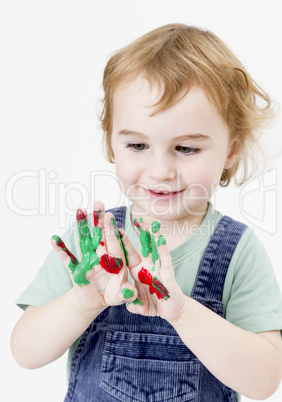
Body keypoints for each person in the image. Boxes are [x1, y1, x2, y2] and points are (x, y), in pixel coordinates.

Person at [11, 24, 282, 401]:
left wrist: (184, 313)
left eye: (186, 148)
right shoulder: (90, 246)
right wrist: (81, 303)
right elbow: (25, 353)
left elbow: (264, 381)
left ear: (231, 151)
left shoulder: (237, 250)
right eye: (137, 144)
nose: (160, 171)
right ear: (111, 142)